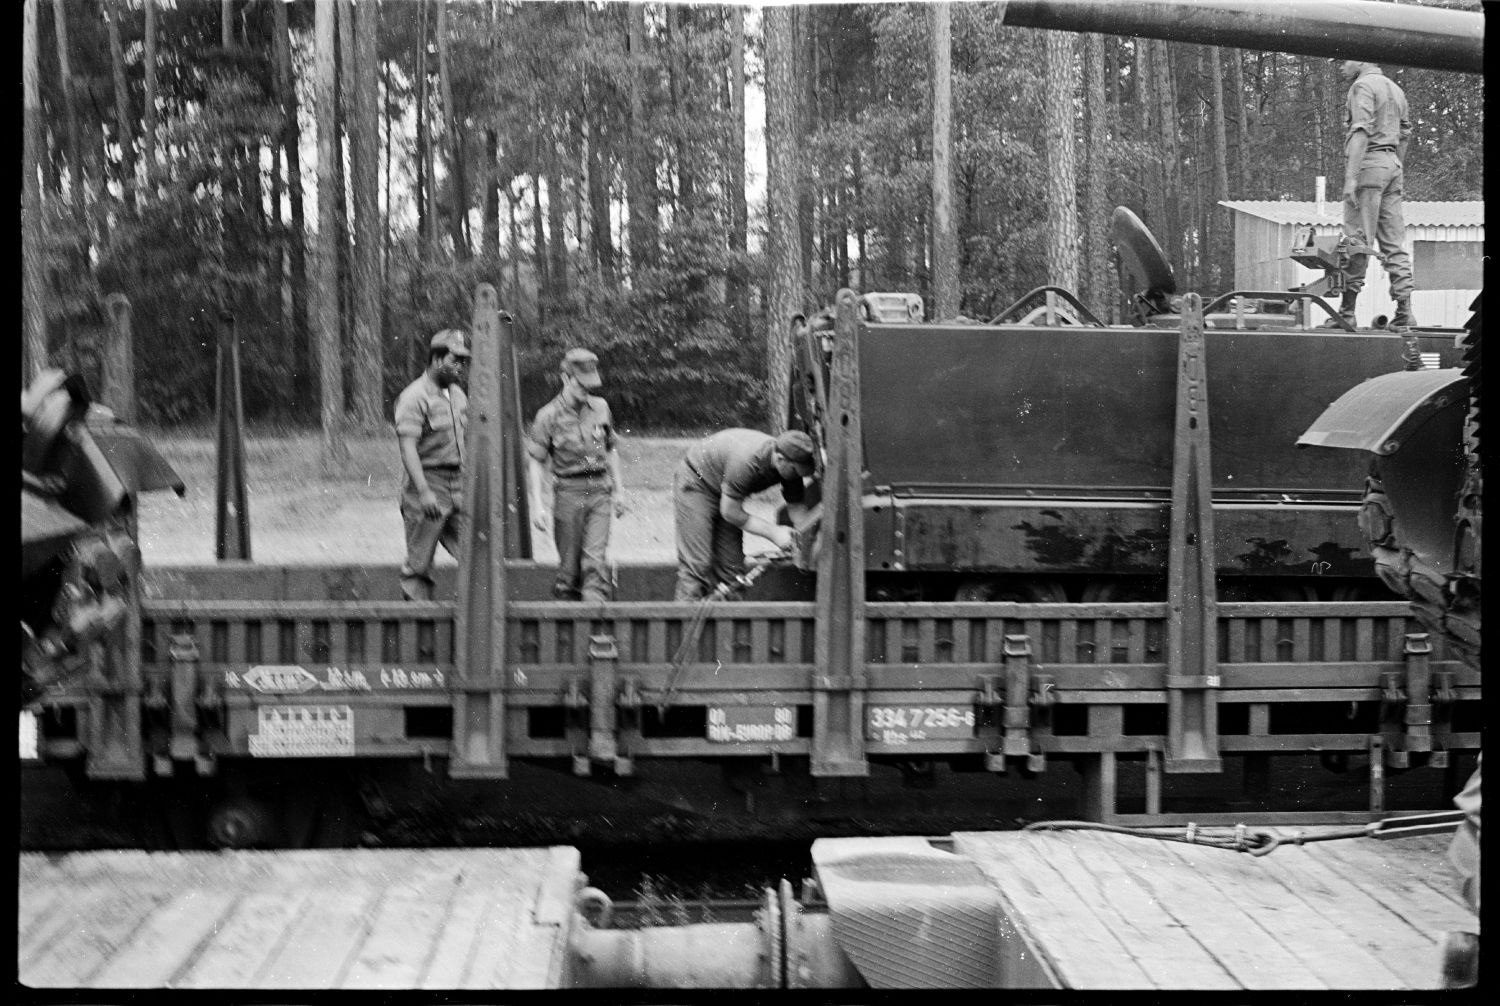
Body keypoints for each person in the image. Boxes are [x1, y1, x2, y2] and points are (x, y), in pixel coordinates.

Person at [526, 348, 624, 603]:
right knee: (569, 571)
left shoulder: (601, 408)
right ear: (565, 379)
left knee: (594, 564)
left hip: (600, 491)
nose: (587, 391)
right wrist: (538, 505)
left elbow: (611, 450)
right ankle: (568, 629)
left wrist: (620, 490)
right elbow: (536, 462)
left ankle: (593, 622)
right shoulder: (547, 416)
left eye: (590, 386)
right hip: (568, 493)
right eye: (582, 385)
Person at [674, 428, 816, 601]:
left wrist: (805, 538)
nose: (797, 478)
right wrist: (774, 533)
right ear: (780, 459)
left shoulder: (789, 466)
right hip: (697, 484)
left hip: (726, 493)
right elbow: (730, 512)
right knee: (697, 566)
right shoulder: (748, 461)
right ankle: (686, 622)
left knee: (732, 570)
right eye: (795, 472)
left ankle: (730, 624)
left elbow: (797, 509)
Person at [1331, 59, 1415, 331]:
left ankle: (1347, 312)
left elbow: (1360, 132)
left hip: (1369, 164)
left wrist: (1351, 177)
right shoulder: (1395, 89)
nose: (1340, 67)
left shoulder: (1362, 86)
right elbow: (1404, 135)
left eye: (1342, 61)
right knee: (1394, 243)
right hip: (1393, 166)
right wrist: (1394, 166)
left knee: (1356, 240)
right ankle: (1405, 313)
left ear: (1360, 60)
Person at [393, 328, 470, 601]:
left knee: (474, 555)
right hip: (427, 483)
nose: (460, 367)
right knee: (419, 564)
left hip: (458, 484)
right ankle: (417, 630)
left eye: (463, 361)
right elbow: (408, 446)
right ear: (437, 360)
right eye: (454, 360)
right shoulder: (415, 397)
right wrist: (424, 491)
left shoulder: (458, 395)